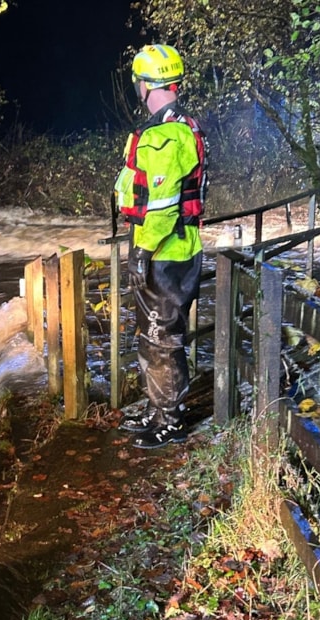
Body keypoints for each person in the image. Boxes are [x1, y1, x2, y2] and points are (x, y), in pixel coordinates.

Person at [114, 44, 207, 449]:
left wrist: (141, 251)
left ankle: (170, 421)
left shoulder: (164, 135)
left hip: (166, 255)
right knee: (158, 334)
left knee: (159, 336)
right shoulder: (182, 125)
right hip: (175, 250)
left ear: (144, 84)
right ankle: (160, 409)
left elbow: (164, 204)